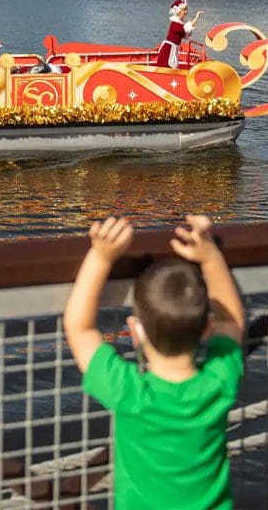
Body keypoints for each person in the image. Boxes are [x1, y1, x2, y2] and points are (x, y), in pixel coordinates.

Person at [63, 215, 245, 509]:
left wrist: (100, 256)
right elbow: (231, 322)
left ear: (135, 332)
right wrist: (211, 257)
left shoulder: (130, 393)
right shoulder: (218, 383)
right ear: (205, 329)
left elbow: (79, 327)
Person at [155, 0, 203, 69]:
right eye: (184, 10)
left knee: (171, 66)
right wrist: (195, 18)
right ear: (179, 11)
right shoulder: (175, 23)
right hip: (169, 49)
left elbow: (185, 30)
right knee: (167, 67)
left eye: (186, 10)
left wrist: (197, 17)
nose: (186, 12)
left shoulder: (179, 23)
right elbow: (185, 30)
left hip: (174, 48)